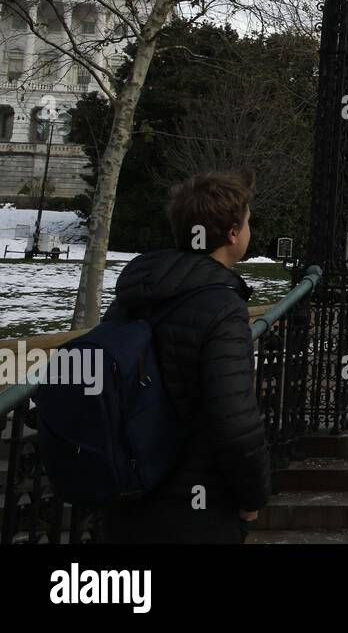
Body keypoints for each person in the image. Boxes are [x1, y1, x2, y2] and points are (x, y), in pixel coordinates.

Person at [99, 170, 271, 544]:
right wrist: (252, 496)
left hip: (125, 493)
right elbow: (235, 423)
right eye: (247, 223)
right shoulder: (222, 306)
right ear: (232, 234)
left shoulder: (134, 295)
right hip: (195, 504)